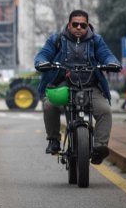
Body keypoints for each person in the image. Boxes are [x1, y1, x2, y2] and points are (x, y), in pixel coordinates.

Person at [33, 9, 120, 165]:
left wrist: (112, 62)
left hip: (90, 86)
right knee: (49, 105)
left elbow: (106, 54)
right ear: (69, 24)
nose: (79, 27)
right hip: (63, 85)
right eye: (75, 24)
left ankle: (99, 148)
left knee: (105, 111)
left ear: (88, 26)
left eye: (83, 25)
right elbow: (43, 54)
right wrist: (41, 62)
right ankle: (53, 140)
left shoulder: (96, 40)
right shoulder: (57, 39)